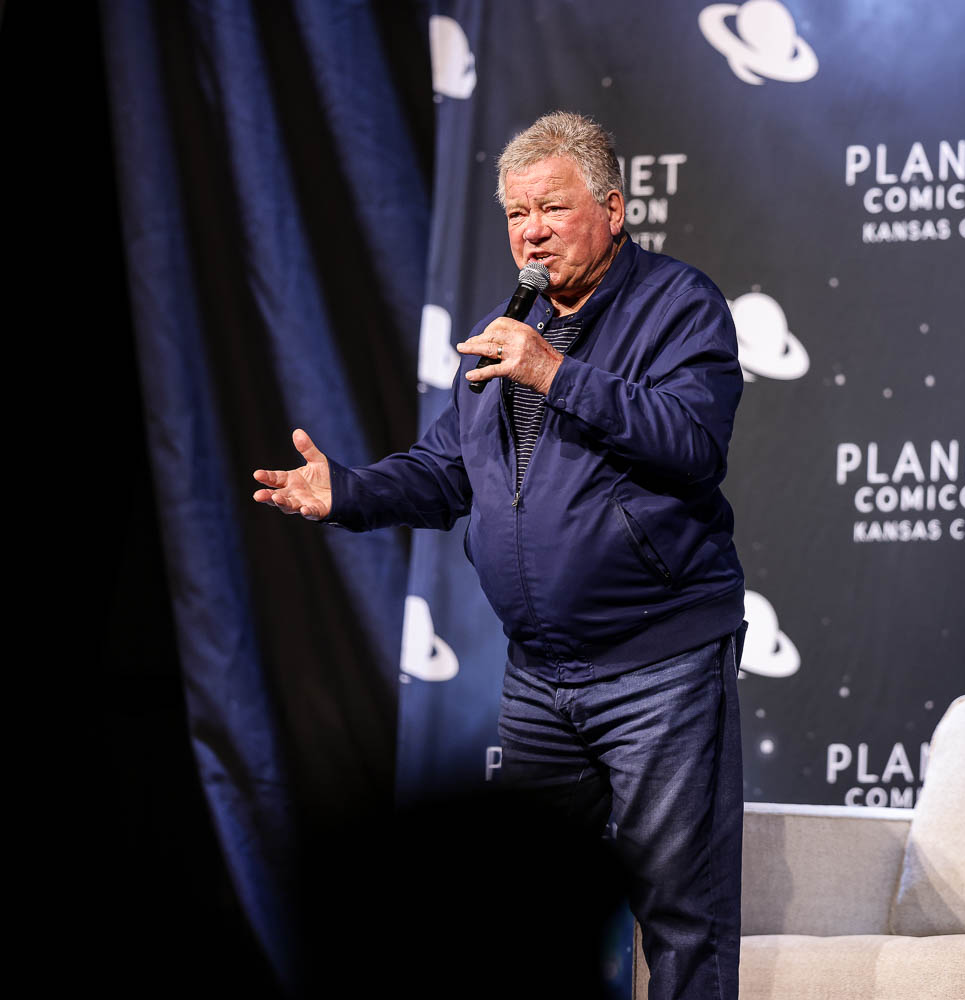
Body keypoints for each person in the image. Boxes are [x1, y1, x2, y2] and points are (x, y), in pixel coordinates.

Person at [253, 111, 746, 1000]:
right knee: (514, 915)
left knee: (679, 920)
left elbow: (691, 439)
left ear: (615, 208)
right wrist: (349, 492)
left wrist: (553, 370)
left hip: (659, 667)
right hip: (541, 680)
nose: (531, 232)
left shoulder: (678, 305)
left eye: (551, 209)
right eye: (517, 215)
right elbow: (450, 471)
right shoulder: (505, 335)